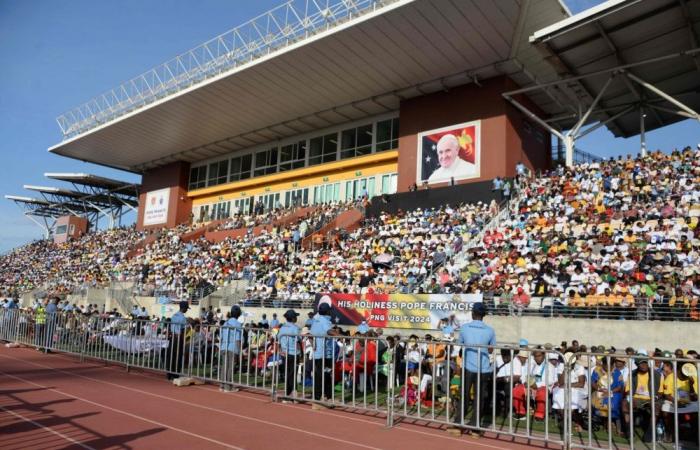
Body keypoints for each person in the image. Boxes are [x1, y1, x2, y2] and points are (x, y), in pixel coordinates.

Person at [453, 302, 495, 434]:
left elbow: (459, 346)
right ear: (483, 315)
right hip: (483, 368)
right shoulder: (490, 330)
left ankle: (458, 425)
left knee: (464, 395)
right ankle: (475, 427)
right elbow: (490, 350)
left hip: (468, 367)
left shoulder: (465, 328)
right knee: (479, 397)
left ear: (473, 313)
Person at [310, 303, 339, 402]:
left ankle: (318, 396)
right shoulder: (325, 321)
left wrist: (313, 345)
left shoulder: (315, 321)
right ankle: (327, 396)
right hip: (326, 354)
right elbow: (329, 331)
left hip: (318, 353)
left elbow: (310, 335)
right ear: (327, 311)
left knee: (319, 375)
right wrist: (340, 335)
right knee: (327, 375)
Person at [277, 309, 301, 399]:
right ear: (293, 318)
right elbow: (299, 341)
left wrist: (280, 350)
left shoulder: (282, 328)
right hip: (294, 353)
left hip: (284, 353)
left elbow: (279, 341)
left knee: (287, 373)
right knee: (293, 373)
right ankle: (292, 392)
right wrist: (301, 353)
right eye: (296, 317)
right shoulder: (296, 328)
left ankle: (288, 392)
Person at [220, 305, 243, 392]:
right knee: (230, 367)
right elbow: (238, 339)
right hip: (232, 347)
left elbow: (221, 336)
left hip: (224, 346)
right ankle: (228, 386)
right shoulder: (237, 324)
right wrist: (240, 351)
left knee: (224, 366)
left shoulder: (226, 322)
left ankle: (222, 385)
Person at [167, 301, 189, 380]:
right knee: (178, 356)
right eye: (186, 308)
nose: (187, 310)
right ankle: (175, 374)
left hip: (172, 337)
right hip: (178, 338)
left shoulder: (174, 315)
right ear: (184, 308)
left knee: (171, 355)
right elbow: (184, 330)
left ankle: (169, 374)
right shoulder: (183, 318)